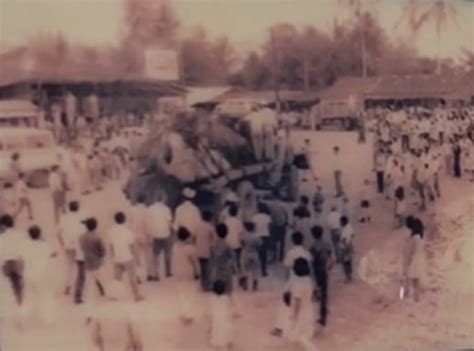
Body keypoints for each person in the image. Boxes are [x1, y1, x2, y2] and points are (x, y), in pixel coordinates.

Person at [22, 225, 55, 324]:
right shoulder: (44, 246)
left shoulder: (26, 245)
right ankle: (47, 319)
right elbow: (54, 254)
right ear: (40, 234)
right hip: (41, 275)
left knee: (28, 297)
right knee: (44, 297)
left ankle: (24, 318)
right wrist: (43, 240)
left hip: (28, 275)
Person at [108, 212, 143, 302]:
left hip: (117, 258)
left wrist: (113, 256)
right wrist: (137, 258)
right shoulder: (128, 231)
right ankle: (136, 296)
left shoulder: (111, 231)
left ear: (115, 220)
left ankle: (114, 295)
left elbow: (111, 246)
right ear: (124, 219)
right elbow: (132, 246)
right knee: (132, 278)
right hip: (128, 257)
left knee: (117, 278)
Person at [287, 258, 318, 351]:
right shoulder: (309, 280)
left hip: (301, 315)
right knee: (304, 337)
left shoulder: (298, 284)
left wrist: (294, 318)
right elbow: (314, 297)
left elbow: (297, 303)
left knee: (299, 338)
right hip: (309, 311)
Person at [171, 226, 199, 324]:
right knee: (190, 294)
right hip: (188, 273)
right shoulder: (190, 249)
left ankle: (183, 313)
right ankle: (188, 315)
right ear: (187, 237)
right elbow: (194, 263)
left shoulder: (175, 246)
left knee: (181, 293)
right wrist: (197, 273)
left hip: (178, 272)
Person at [75, 218, 106, 304]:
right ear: (96, 226)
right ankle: (105, 292)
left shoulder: (81, 237)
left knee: (89, 283)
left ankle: (90, 300)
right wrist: (100, 256)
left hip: (87, 263)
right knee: (102, 279)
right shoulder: (97, 237)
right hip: (97, 263)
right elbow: (103, 251)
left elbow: (81, 248)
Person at [56, 200, 84, 296]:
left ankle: (67, 286)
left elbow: (58, 233)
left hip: (68, 245)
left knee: (69, 267)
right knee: (83, 266)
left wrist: (62, 244)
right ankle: (97, 285)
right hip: (79, 245)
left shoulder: (64, 218)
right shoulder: (81, 218)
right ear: (78, 208)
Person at [0, 215, 27, 306]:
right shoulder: (20, 234)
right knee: (19, 286)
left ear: (3, 226)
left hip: (7, 264)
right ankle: (20, 303)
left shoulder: (2, 237)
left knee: (9, 286)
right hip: (18, 262)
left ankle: (12, 304)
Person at [310, 225, 333, 326]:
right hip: (324, 270)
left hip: (316, 271)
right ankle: (323, 317)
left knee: (314, 294)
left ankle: (315, 316)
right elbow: (331, 260)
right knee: (324, 294)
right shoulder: (327, 244)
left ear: (313, 234)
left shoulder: (313, 246)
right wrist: (328, 268)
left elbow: (311, 260)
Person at [146, 197, 173, 281]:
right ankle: (168, 271)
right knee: (168, 254)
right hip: (165, 234)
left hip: (155, 235)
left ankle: (156, 274)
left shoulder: (150, 209)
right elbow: (169, 222)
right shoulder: (166, 209)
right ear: (162, 200)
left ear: (155, 200)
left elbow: (149, 223)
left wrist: (150, 235)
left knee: (155, 255)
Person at [129, 195, 151, 282]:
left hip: (134, 236)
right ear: (144, 200)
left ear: (136, 200)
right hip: (144, 235)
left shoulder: (132, 210)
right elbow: (148, 225)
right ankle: (149, 274)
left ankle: (138, 276)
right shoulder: (147, 210)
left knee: (136, 258)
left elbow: (129, 224)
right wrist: (149, 237)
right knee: (147, 256)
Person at [211, 223, 237, 295]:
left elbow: (212, 257)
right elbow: (233, 257)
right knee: (227, 291)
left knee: (217, 291)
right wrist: (236, 270)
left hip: (216, 270)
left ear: (216, 233)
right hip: (226, 269)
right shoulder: (228, 245)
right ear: (227, 232)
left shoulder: (213, 244)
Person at [404, 218, 426, 302]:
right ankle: (416, 297)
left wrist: (409, 261)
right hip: (420, 260)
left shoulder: (414, 238)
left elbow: (411, 251)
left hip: (414, 260)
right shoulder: (421, 238)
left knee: (410, 278)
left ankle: (408, 295)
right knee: (416, 280)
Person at [209, 280, 233, 350]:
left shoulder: (212, 298)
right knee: (226, 329)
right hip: (224, 317)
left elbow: (210, 309)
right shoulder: (226, 298)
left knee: (216, 330)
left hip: (216, 317)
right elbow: (230, 307)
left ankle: (216, 343)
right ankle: (227, 342)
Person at [195, 210, 215, 291]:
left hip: (199, 250)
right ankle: (208, 285)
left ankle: (203, 286)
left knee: (202, 269)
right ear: (210, 218)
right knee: (208, 269)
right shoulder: (210, 227)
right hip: (207, 251)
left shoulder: (198, 226)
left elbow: (194, 237)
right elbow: (213, 240)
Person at [240, 222, 262, 291]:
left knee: (245, 269)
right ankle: (255, 284)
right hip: (254, 253)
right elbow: (260, 245)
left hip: (245, 252)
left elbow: (241, 243)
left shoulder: (243, 235)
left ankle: (245, 284)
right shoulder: (256, 236)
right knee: (255, 269)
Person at [252, 203, 272, 277]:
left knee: (256, 253)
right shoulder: (267, 217)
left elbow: (253, 228)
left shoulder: (255, 217)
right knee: (264, 254)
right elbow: (269, 228)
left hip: (257, 236)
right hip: (265, 236)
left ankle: (255, 269)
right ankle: (263, 271)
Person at [224, 204, 244, 274]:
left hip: (227, 242)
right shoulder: (239, 222)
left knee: (228, 258)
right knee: (238, 259)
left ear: (229, 212)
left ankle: (230, 270)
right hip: (237, 243)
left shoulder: (225, 221)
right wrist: (242, 243)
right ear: (236, 212)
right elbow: (240, 234)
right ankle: (237, 270)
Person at [340, 216, 354, 282]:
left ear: (343, 222)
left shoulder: (344, 230)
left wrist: (344, 246)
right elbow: (353, 235)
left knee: (345, 262)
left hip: (345, 247)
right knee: (349, 261)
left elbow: (343, 239)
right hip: (350, 245)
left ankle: (347, 276)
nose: (340, 223)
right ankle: (350, 275)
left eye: (340, 222)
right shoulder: (349, 227)